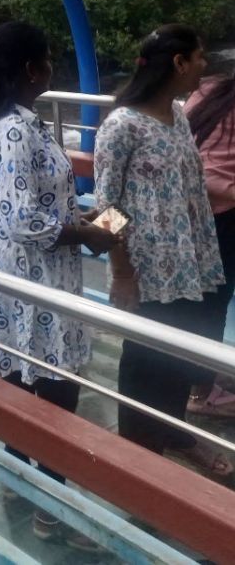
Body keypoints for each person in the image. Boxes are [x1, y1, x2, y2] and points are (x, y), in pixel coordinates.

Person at [0, 22, 119, 548]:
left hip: (9, 276)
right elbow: (26, 222)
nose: (53, 67)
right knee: (53, 394)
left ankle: (19, 486)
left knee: (22, 390)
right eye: (48, 59)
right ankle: (51, 512)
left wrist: (79, 213)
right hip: (31, 283)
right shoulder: (17, 129)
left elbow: (21, 202)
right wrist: (85, 233)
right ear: (32, 69)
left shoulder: (0, 121)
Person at [93, 24, 231, 477]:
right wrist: (123, 274)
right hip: (147, 270)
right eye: (199, 57)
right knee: (144, 362)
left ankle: (170, 435)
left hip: (189, 266)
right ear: (178, 63)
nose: (204, 65)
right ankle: (138, 460)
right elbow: (105, 207)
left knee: (176, 357)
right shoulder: (121, 125)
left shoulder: (177, 114)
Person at [184, 69, 235, 416]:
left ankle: (196, 380)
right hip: (224, 218)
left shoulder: (207, 91)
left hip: (193, 217)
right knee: (211, 305)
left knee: (201, 304)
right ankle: (201, 392)